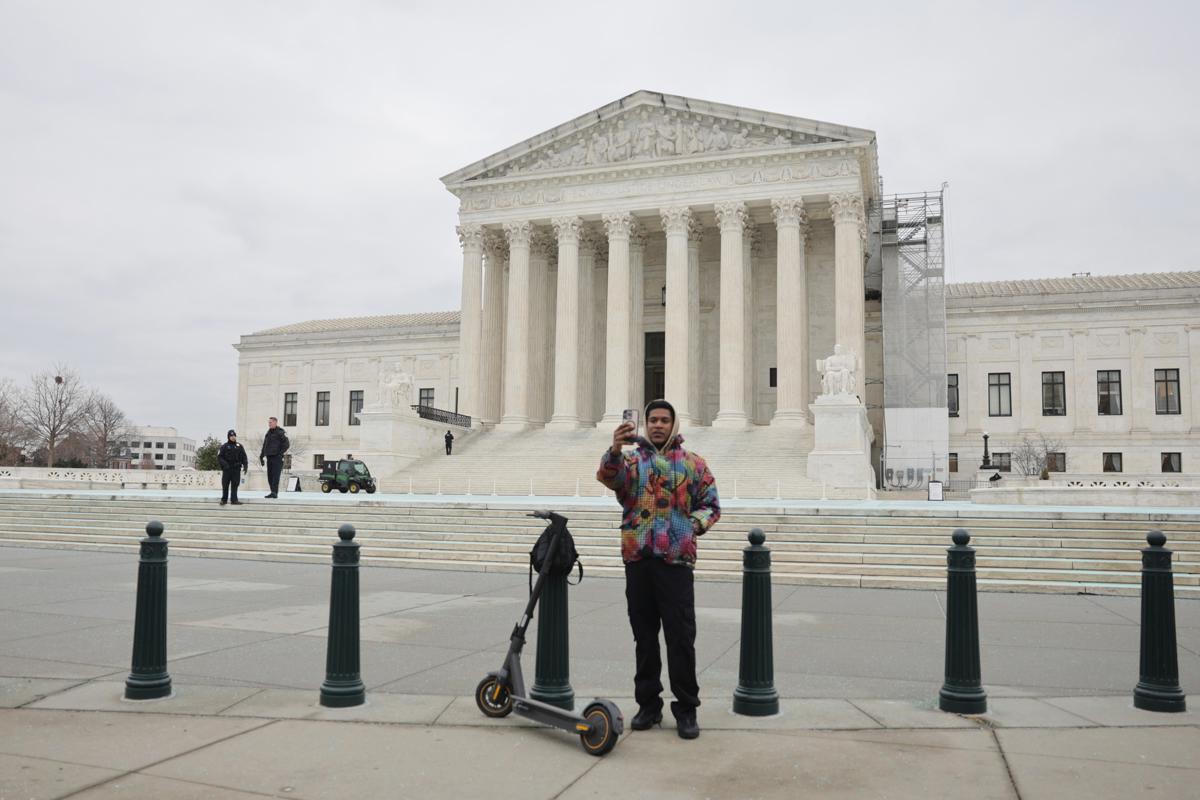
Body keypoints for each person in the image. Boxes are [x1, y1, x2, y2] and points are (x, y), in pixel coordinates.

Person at [596, 399, 720, 740]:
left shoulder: (694, 464)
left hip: (675, 562)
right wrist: (615, 448)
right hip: (639, 560)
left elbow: (711, 505)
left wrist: (690, 528)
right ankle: (648, 706)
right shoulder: (632, 462)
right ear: (646, 424)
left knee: (681, 639)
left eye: (665, 420)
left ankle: (686, 709)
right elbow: (610, 479)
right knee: (645, 639)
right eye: (653, 420)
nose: (658, 425)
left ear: (674, 424)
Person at [259, 416, 290, 498]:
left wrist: (280, 453)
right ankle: (272, 492)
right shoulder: (268, 433)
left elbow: (287, 444)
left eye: (270, 422)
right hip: (269, 457)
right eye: (268, 422)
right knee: (270, 477)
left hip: (277, 458)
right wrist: (261, 456)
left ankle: (274, 492)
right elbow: (264, 445)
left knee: (276, 476)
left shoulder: (280, 432)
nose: (269, 424)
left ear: (275, 422)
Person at [217, 429, 248, 506]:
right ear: (228, 437)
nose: (233, 437)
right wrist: (225, 465)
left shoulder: (239, 446)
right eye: (231, 436)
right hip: (227, 469)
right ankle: (224, 500)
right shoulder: (224, 446)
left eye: (234, 435)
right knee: (225, 484)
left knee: (235, 484)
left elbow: (244, 457)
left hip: (236, 469)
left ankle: (234, 500)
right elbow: (220, 457)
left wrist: (245, 465)